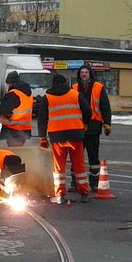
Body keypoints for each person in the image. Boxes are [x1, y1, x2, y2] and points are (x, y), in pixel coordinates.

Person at [37, 73, 93, 204]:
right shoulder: (75, 94)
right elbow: (88, 111)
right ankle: (84, 193)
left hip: (57, 137)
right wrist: (84, 124)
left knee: (59, 167)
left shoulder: (47, 98)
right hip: (75, 134)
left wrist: (42, 137)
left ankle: (60, 194)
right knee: (79, 165)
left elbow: (42, 119)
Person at [72, 64, 112, 193]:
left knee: (93, 155)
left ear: (90, 74)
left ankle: (94, 182)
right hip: (78, 125)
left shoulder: (98, 87)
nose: (84, 74)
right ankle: (75, 182)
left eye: (86, 72)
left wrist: (107, 123)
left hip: (94, 125)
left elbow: (105, 106)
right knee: (76, 155)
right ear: (79, 75)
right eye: (82, 72)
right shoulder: (74, 88)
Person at [0, 71, 33, 147]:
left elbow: (4, 110)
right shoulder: (27, 93)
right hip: (25, 128)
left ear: (10, 83)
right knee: (19, 150)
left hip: (13, 128)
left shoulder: (13, 93)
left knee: (13, 151)